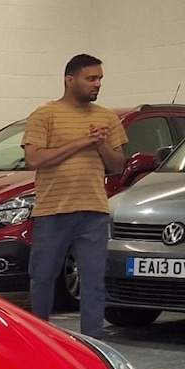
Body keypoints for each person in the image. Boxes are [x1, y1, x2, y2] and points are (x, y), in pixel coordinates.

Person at [21, 53, 128, 340]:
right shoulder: (45, 114)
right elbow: (34, 159)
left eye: (100, 79)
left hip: (93, 211)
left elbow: (117, 165)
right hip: (53, 210)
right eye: (91, 78)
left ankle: (93, 344)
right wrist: (82, 141)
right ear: (70, 80)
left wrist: (100, 143)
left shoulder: (106, 118)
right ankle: (38, 340)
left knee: (93, 282)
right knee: (42, 279)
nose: (97, 84)